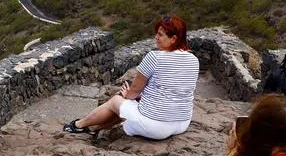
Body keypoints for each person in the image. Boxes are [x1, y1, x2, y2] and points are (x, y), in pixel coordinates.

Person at [64, 15, 198, 140]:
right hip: (181, 123)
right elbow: (175, 90)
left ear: (173, 39)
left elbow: (135, 90)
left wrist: (129, 95)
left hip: (156, 127)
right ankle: (94, 128)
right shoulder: (193, 60)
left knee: (117, 101)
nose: (156, 37)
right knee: (130, 107)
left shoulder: (155, 57)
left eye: (160, 34)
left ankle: (79, 125)